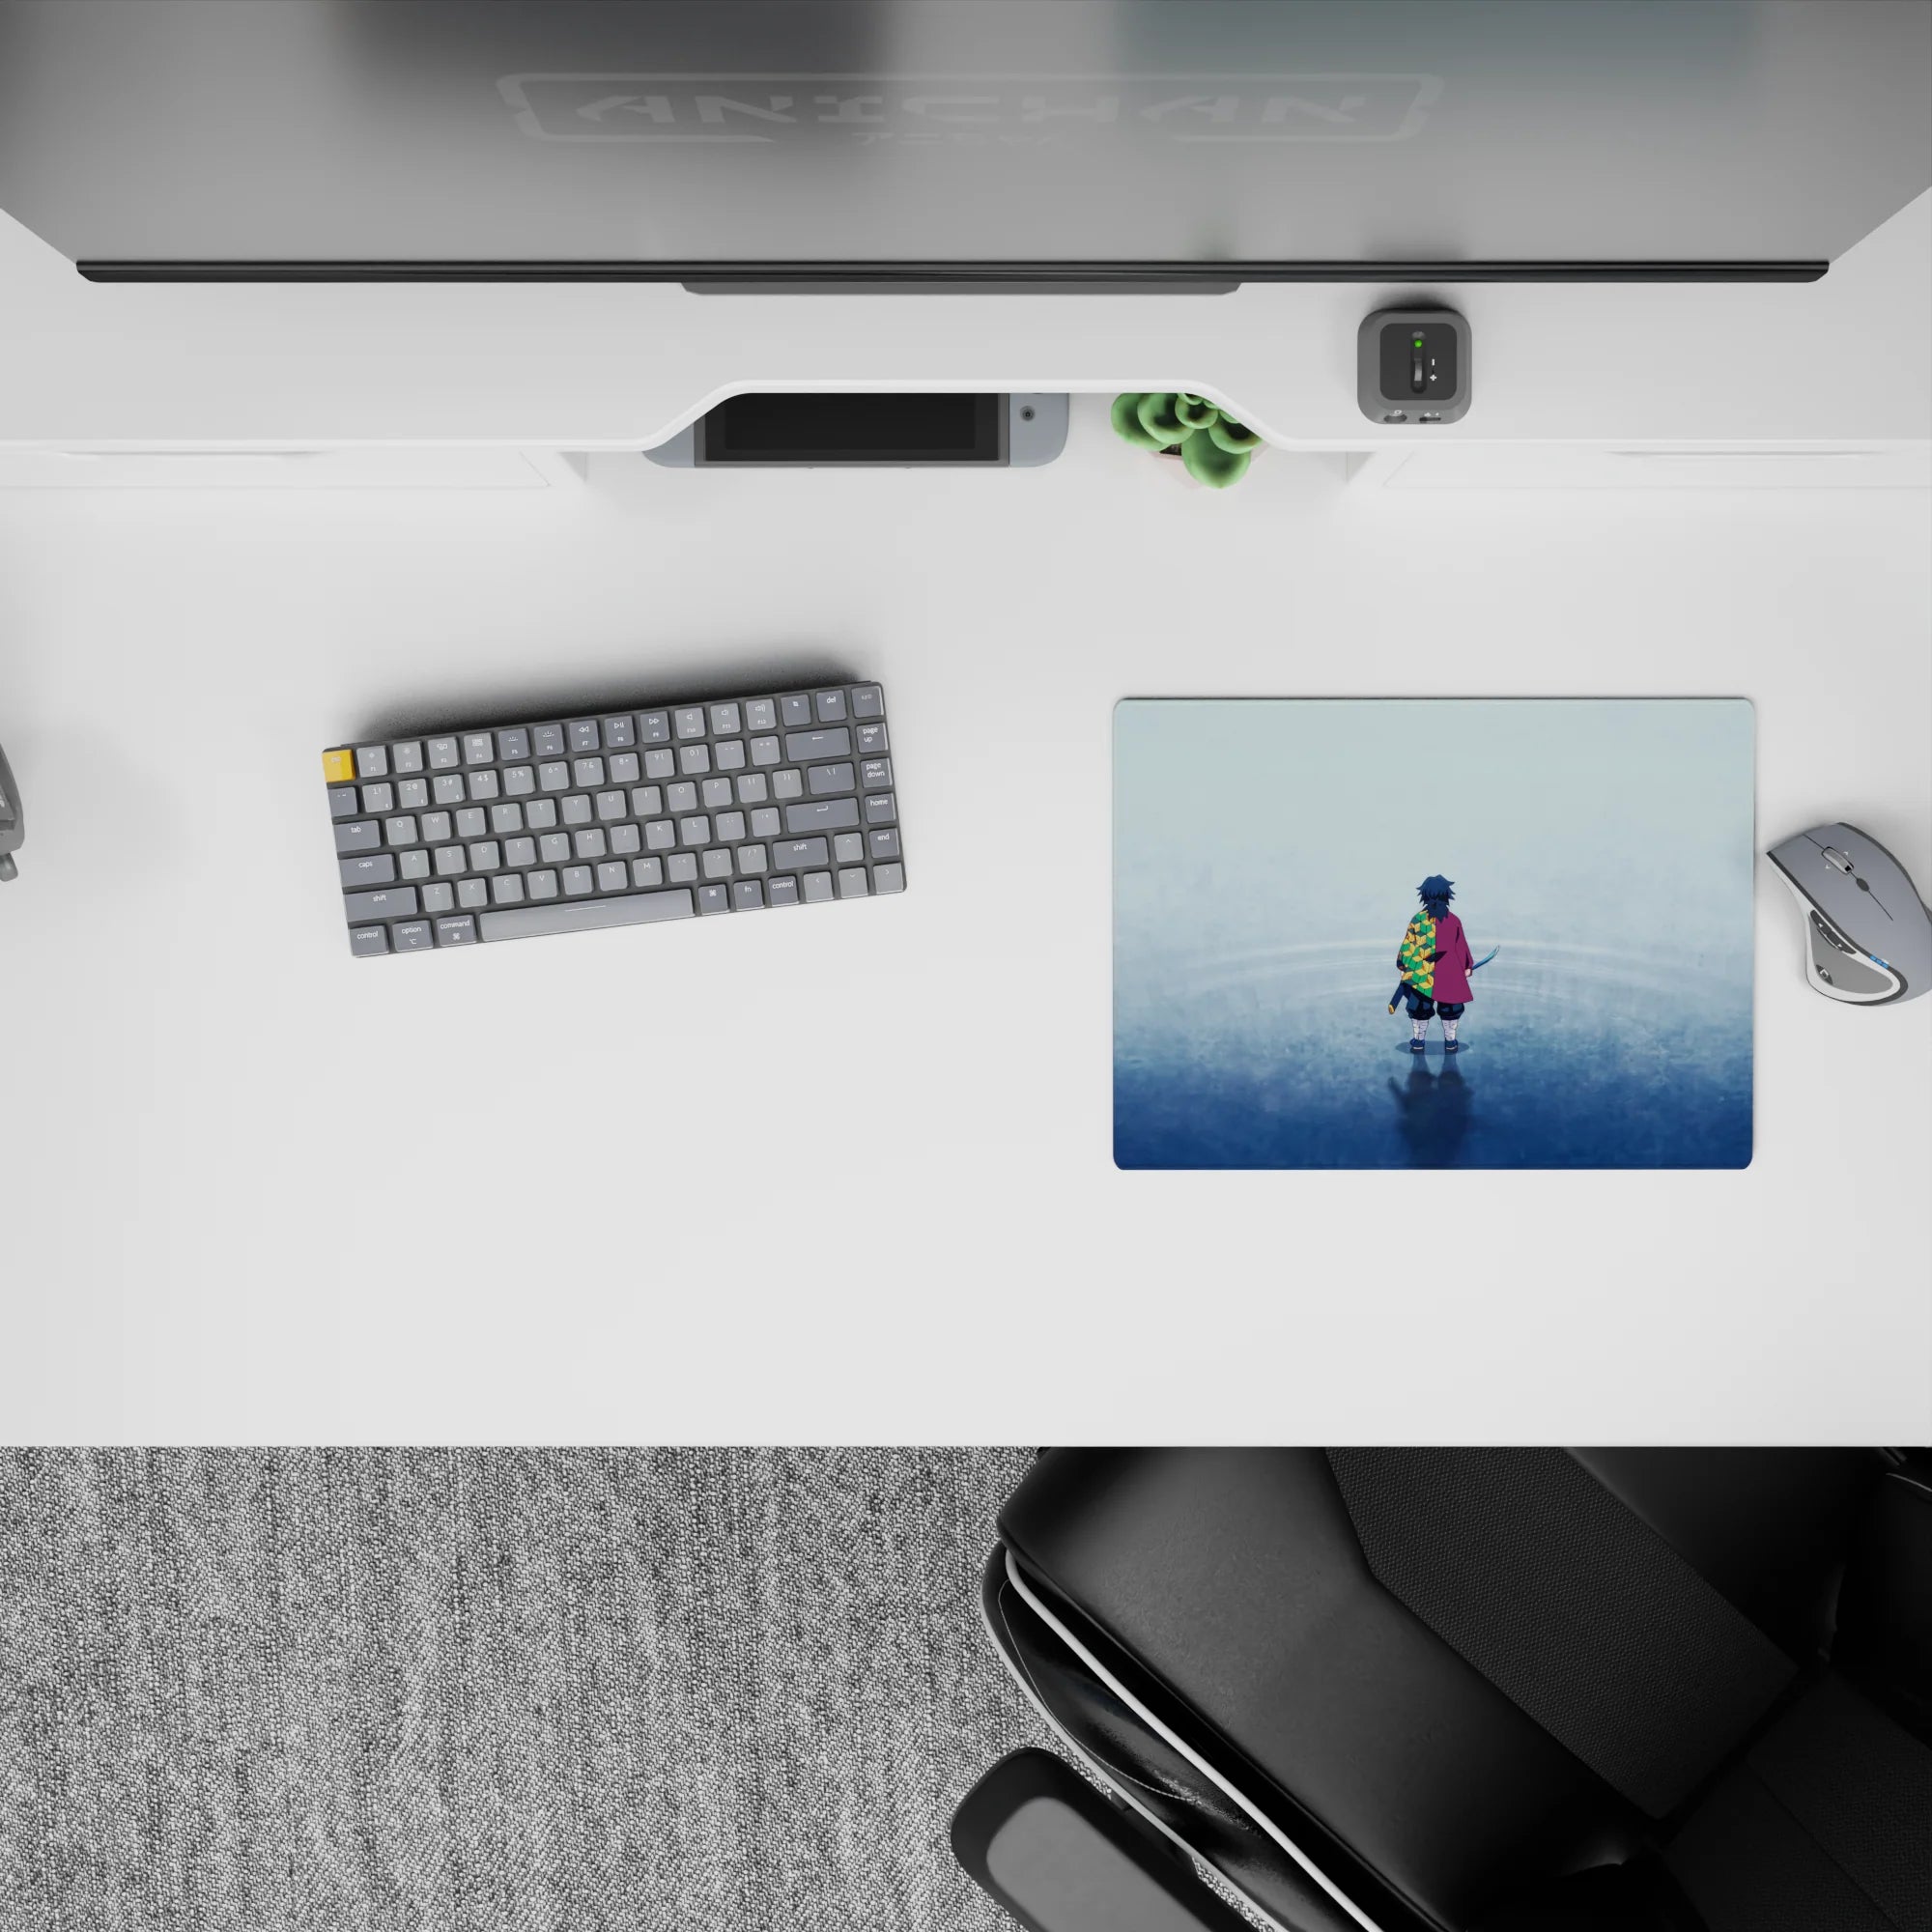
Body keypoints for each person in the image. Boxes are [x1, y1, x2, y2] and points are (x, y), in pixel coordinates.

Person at [1390, 874, 1476, 1054]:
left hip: (1421, 973)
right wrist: (1466, 967)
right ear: (1447, 896)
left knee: (1420, 1007)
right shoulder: (1453, 920)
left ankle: (1419, 1041)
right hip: (1448, 972)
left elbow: (1408, 945)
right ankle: (1450, 1042)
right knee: (1449, 1008)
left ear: (1425, 896)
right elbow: (1460, 946)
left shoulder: (1418, 919)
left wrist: (1403, 965)